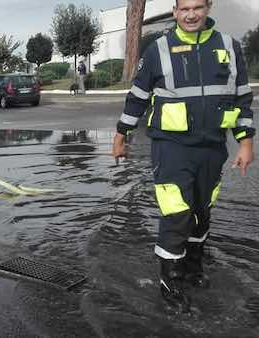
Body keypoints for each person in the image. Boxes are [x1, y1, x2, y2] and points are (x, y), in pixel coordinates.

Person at [112, 0, 255, 313]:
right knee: (177, 213)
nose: (191, 14)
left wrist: (245, 144)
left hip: (212, 147)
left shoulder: (229, 47)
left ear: (207, 8)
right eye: (184, 8)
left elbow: (243, 97)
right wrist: (121, 135)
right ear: (175, 12)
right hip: (171, 147)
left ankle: (193, 266)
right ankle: (170, 279)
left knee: (202, 211)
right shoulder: (158, 49)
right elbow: (137, 96)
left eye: (198, 7)